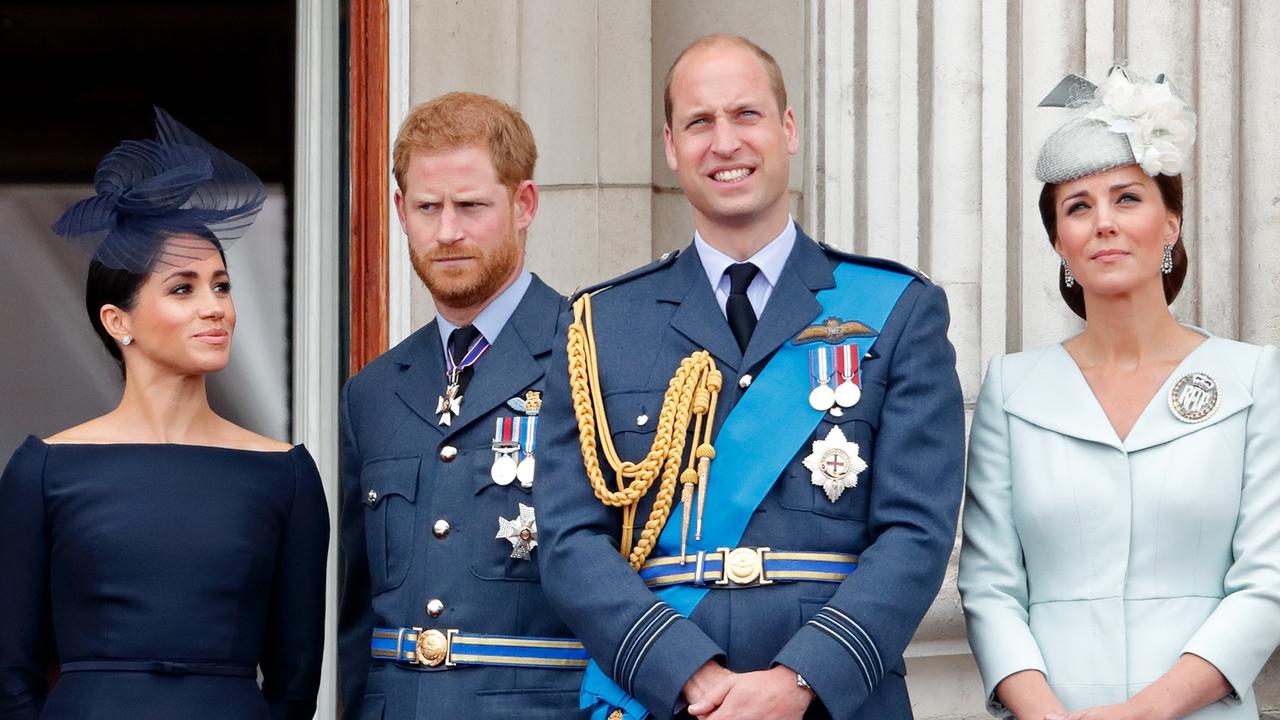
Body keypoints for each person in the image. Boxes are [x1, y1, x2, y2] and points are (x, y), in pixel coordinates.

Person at [535, 34, 964, 720]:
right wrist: (689, 676)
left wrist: (798, 681)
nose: (725, 141)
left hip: (832, 700)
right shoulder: (599, 324)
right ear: (671, 145)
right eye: (700, 122)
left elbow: (916, 531)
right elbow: (567, 539)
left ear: (788, 130)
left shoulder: (897, 310)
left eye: (747, 115)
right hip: (667, 699)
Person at [959, 67, 1280, 719]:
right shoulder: (1012, 389)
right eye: (1079, 207)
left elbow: (1267, 581)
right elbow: (989, 586)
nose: (1103, 222)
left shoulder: (1252, 379)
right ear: (1059, 243)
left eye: (1127, 198)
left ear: (1170, 223)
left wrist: (1144, 712)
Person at [0, 108, 329, 719]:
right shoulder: (43, 470)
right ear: (117, 321)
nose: (216, 308)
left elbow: (295, 682)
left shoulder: (287, 474)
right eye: (183, 288)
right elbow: (10, 677)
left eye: (222, 285)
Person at [338, 92, 587, 720]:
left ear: (523, 204)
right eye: (427, 207)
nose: (446, 231)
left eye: (471, 206)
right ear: (400, 211)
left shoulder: (592, 358)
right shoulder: (372, 392)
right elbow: (358, 619)